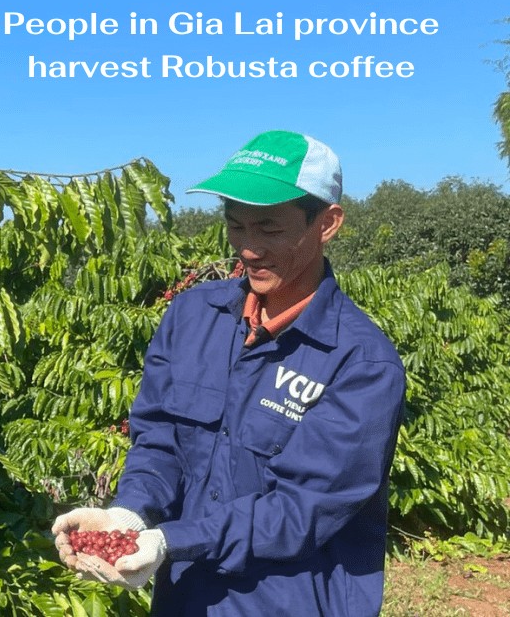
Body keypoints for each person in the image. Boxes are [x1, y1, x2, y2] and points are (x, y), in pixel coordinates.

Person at [52, 130, 406, 615]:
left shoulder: (361, 362)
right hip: (187, 594)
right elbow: (159, 439)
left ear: (327, 223)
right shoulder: (192, 316)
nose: (248, 248)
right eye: (236, 226)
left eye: (270, 229)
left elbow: (302, 508)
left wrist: (171, 541)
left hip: (289, 599)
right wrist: (130, 513)